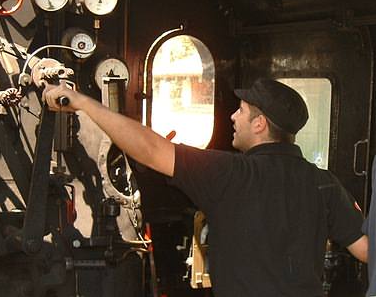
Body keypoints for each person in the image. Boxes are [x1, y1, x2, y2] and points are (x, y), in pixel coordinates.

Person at [44, 78, 368, 297]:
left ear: (260, 124)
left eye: (241, 111)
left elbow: (151, 150)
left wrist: (83, 103)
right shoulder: (325, 183)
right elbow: (366, 250)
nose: (232, 116)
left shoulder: (228, 173)